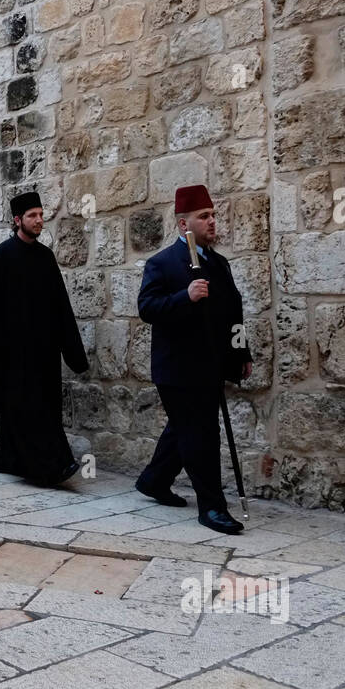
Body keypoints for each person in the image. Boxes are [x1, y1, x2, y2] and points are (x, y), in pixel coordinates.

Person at [136, 184, 252, 535]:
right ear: (184, 224)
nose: (212, 221)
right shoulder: (162, 263)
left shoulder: (219, 263)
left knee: (184, 428)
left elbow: (234, 312)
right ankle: (212, 507)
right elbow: (147, 308)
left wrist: (241, 352)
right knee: (201, 434)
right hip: (177, 369)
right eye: (204, 216)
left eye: (213, 214)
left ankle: (154, 480)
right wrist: (184, 297)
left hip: (211, 365)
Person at [0, 190, 88, 486]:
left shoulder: (45, 257)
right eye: (32, 216)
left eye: (41, 215)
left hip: (43, 353)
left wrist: (72, 351)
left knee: (44, 410)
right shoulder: (0, 256)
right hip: (11, 356)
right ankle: (48, 468)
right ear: (17, 220)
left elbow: (60, 306)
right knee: (21, 411)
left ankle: (20, 461)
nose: (39, 220)